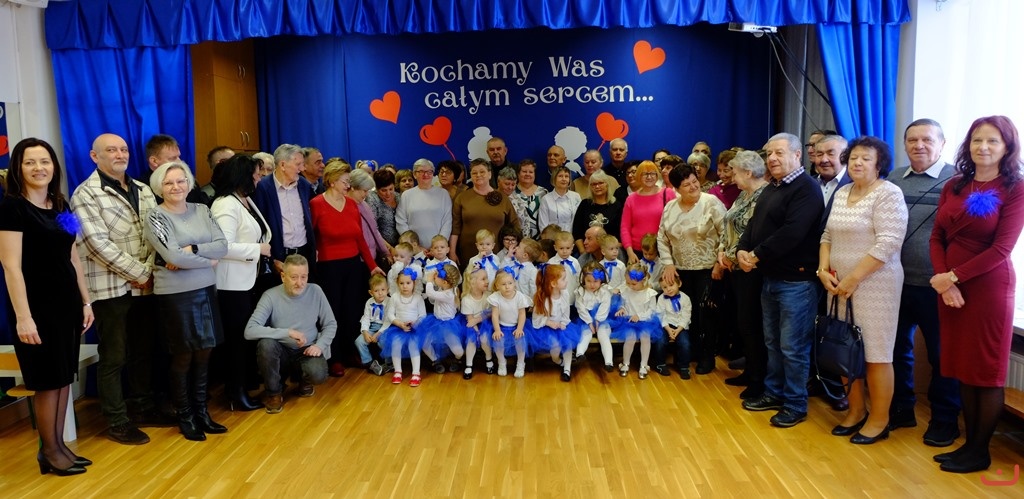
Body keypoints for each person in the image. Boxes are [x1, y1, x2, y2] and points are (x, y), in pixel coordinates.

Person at [929, 116, 1024, 473]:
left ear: (1007, 147)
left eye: (992, 141)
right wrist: (944, 280)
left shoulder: (1016, 188)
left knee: (985, 370)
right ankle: (969, 446)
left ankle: (979, 451)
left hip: (988, 288)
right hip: (950, 287)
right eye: (976, 140)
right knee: (963, 368)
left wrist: (952, 277)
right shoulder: (954, 185)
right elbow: (937, 236)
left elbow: (1001, 249)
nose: (983, 147)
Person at [0, 138, 95, 476]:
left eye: (45, 161)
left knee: (63, 376)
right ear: (18, 168)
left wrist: (86, 301)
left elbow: (73, 255)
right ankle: (50, 451)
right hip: (36, 308)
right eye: (30, 162)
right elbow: (10, 266)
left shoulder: (61, 204)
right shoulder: (12, 208)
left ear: (54, 166)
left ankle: (58, 447)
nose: (38, 168)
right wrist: (23, 318)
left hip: (66, 304)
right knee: (46, 381)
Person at [71, 133, 168, 446]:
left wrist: (148, 271)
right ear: (94, 156)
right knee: (114, 355)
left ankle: (142, 407)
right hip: (109, 287)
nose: (119, 154)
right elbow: (96, 244)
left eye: (123, 149)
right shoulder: (84, 194)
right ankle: (116, 420)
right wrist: (139, 273)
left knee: (143, 350)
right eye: (111, 150)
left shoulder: (143, 188)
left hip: (145, 285)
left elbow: (156, 232)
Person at [818, 136, 908, 445]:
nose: (857, 163)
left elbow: (889, 242)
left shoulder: (888, 193)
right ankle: (856, 411)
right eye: (853, 157)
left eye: (866, 158)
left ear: (879, 164)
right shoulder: (843, 192)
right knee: (847, 347)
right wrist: (822, 270)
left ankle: (880, 420)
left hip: (875, 285)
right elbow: (827, 235)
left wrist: (854, 278)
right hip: (838, 285)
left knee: (876, 354)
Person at [737, 132, 824, 428]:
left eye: (779, 153)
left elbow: (792, 232)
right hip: (770, 278)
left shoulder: (806, 189)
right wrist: (742, 249)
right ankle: (774, 393)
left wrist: (755, 255)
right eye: (769, 153)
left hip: (796, 283)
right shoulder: (772, 188)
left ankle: (795, 404)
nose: (772, 158)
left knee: (793, 347)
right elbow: (754, 224)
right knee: (773, 343)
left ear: (797, 155)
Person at [887, 119, 961, 446]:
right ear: (904, 144)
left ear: (942, 144)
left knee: (941, 356)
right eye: (912, 140)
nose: (919, 145)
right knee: (895, 349)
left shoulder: (957, 180)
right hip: (894, 281)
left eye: (927, 140)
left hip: (938, 285)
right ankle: (901, 408)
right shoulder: (893, 179)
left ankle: (945, 420)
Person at [144, 161, 229, 442]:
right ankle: (185, 416)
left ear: (189, 183)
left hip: (205, 289)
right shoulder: (155, 216)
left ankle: (202, 412)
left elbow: (222, 245)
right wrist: (208, 261)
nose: (176, 187)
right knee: (183, 355)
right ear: (159, 187)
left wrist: (192, 250)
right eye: (168, 183)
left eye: (180, 181)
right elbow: (172, 256)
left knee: (205, 352)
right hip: (175, 294)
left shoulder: (202, 209)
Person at [310, 161, 383, 378]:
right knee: (332, 313)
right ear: (332, 181)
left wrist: (372, 266)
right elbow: (311, 237)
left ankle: (352, 352)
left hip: (352, 265)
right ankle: (334, 358)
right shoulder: (316, 204)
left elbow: (359, 238)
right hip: (328, 267)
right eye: (345, 182)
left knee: (352, 311)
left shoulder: (351, 204)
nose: (348, 186)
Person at [211, 154, 270, 412]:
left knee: (244, 339)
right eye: (256, 174)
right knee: (236, 341)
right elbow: (222, 246)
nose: (259, 178)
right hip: (231, 285)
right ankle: (235, 392)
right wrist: (258, 249)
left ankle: (242, 387)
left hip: (247, 280)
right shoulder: (226, 204)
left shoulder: (243, 199)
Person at [244, 254, 336, 413]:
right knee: (266, 345)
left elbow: (330, 324)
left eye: (303, 277)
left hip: (307, 350)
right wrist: (287, 332)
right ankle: (274, 393)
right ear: (283, 277)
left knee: (318, 374)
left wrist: (319, 346)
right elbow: (250, 330)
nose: (300, 283)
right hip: (282, 351)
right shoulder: (270, 295)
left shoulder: (316, 291)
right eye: (294, 277)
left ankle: (304, 381)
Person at [658, 163, 726, 375]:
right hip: (680, 270)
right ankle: (691, 352)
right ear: (677, 188)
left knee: (706, 314)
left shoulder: (711, 202)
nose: (693, 187)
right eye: (686, 185)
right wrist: (668, 263)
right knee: (686, 313)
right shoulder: (670, 207)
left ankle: (707, 356)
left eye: (694, 182)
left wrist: (720, 262)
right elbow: (662, 237)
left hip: (708, 268)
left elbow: (726, 233)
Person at [717, 151, 770, 399]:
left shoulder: (764, 196)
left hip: (750, 270)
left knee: (752, 325)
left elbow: (753, 234)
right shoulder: (743, 194)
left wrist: (732, 255)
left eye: (736, 172)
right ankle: (750, 371)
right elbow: (728, 225)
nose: (732, 177)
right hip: (733, 268)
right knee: (743, 324)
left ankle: (758, 379)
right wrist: (722, 251)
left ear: (748, 173)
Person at [251, 144, 317, 281]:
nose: (302, 169)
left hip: (304, 254)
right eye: (298, 164)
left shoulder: (304, 185)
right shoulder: (262, 188)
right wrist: (271, 259)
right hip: (278, 258)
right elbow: (258, 227)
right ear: (282, 165)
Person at [450, 160, 521, 265]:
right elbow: (455, 228)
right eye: (474, 173)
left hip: (498, 254)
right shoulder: (462, 198)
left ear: (490, 174)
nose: (478, 175)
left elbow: (515, 226)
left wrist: (515, 249)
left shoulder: (503, 198)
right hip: (468, 253)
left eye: (482, 172)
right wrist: (452, 252)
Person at [611, 264, 662, 379]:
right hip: (629, 321)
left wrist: (639, 316)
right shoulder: (626, 291)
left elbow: (652, 311)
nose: (630, 286)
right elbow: (624, 305)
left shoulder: (650, 293)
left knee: (645, 337)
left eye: (633, 284)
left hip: (645, 321)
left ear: (643, 280)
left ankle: (644, 364)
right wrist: (622, 309)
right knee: (630, 338)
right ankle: (625, 363)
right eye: (628, 283)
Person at [379, 268, 428, 387]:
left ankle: (416, 373)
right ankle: (397, 371)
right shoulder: (395, 297)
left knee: (413, 346)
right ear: (397, 284)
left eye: (408, 283)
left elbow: (422, 315)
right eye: (401, 283)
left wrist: (415, 323)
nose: (405, 286)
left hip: (414, 329)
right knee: (395, 344)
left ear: (414, 283)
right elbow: (390, 315)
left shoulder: (418, 298)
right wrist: (400, 324)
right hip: (399, 328)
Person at [621, 161, 676, 264]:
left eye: (652, 173)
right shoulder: (631, 199)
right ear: (639, 176)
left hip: (663, 250)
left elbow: (675, 223)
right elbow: (625, 227)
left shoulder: (668, 193)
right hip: (638, 252)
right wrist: (630, 252)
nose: (649, 177)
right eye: (645, 174)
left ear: (657, 175)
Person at [531, 264, 578, 381]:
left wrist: (563, 323)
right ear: (553, 284)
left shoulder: (565, 294)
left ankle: (567, 369)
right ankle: (556, 360)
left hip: (561, 325)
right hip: (546, 328)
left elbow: (566, 313)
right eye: (563, 279)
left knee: (567, 343)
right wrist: (548, 322)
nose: (566, 281)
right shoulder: (542, 298)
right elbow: (536, 319)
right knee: (555, 347)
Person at [396, 158, 453, 249]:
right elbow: (401, 221)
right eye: (421, 171)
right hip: (413, 249)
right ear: (415, 174)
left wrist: (438, 246)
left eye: (429, 171)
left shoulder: (443, 194)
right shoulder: (407, 195)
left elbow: (447, 222)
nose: (426, 175)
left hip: (439, 250)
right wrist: (415, 246)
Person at [489, 269, 531, 377]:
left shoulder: (519, 297)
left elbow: (522, 314)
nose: (507, 287)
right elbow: (495, 315)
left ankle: (521, 363)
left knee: (520, 342)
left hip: (517, 326)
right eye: (503, 284)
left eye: (510, 283)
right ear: (497, 286)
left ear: (514, 283)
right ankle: (502, 362)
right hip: (502, 326)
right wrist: (497, 330)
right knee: (498, 342)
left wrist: (519, 328)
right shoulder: (496, 297)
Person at [348, 169, 393, 268]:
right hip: (356, 260)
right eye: (364, 191)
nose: (367, 194)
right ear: (353, 188)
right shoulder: (344, 207)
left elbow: (374, 230)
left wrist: (386, 252)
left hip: (371, 258)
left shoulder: (364, 205)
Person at [575, 262, 614, 371]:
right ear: (584, 279)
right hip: (585, 318)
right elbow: (580, 308)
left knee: (603, 336)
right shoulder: (581, 291)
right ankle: (580, 353)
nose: (592, 285)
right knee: (585, 333)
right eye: (589, 281)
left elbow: (605, 305)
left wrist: (597, 320)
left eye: (595, 281)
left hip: (602, 318)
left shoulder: (604, 291)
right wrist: (589, 322)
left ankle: (609, 362)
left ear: (601, 280)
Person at [572, 170, 622, 252]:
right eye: (594, 184)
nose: (597, 186)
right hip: (587, 251)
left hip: (612, 251)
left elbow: (621, 233)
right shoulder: (584, 204)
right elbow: (577, 231)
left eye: (600, 183)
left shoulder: (616, 206)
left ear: (607, 184)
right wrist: (583, 252)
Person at [656, 272, 693, 379]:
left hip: (681, 326)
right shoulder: (661, 298)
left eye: (671, 285)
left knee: (685, 343)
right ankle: (660, 364)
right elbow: (660, 315)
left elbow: (686, 316)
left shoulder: (686, 298)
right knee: (660, 342)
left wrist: (678, 330)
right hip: (665, 325)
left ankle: (684, 366)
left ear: (679, 284)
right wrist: (668, 329)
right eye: (664, 287)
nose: (668, 289)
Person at [460, 266, 495, 379]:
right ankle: (469, 364)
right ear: (473, 283)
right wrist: (477, 333)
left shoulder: (488, 296)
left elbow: (491, 312)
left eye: (487, 278)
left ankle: (489, 359)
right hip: (471, 325)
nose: (487, 281)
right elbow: (470, 320)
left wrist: (479, 319)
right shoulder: (466, 299)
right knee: (471, 340)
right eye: (483, 279)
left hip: (486, 322)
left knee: (484, 339)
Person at [356, 274, 389, 375]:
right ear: (371, 293)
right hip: (372, 326)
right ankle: (369, 363)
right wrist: (365, 332)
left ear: (387, 290)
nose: (380, 293)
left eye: (383, 289)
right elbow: (366, 318)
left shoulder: (390, 302)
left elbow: (388, 321)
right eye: (376, 291)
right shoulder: (369, 302)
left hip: (385, 328)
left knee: (383, 342)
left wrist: (378, 334)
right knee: (359, 341)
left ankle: (389, 363)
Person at [814, 135, 852, 218]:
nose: (824, 160)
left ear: (844, 156)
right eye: (819, 154)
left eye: (831, 154)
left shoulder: (855, 184)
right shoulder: (808, 184)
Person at [511, 159, 548, 239]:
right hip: (517, 238)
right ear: (518, 174)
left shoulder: (543, 192)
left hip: (540, 239)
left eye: (531, 172)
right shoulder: (511, 192)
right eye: (524, 171)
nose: (527, 174)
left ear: (534, 174)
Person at [538, 166, 581, 233]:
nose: (564, 179)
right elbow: (543, 227)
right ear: (554, 179)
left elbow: (580, 221)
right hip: (552, 238)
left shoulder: (576, 197)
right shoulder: (546, 199)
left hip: (573, 237)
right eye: (560, 176)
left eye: (566, 176)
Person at [366, 168, 400, 247]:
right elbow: (373, 229)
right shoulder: (372, 199)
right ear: (376, 188)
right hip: (381, 247)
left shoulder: (398, 197)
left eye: (391, 189)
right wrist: (389, 248)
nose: (388, 193)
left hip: (401, 246)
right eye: (384, 190)